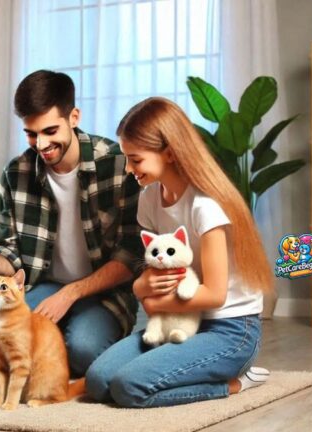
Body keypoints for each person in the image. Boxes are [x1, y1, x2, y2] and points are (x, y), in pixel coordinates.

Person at [0, 70, 144, 378]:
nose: (41, 144)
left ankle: (66, 340)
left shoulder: (118, 164)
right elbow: (10, 257)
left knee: (83, 351)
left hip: (100, 291)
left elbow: (131, 256)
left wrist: (70, 295)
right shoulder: (16, 173)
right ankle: (47, 344)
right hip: (42, 285)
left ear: (74, 117)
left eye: (50, 130)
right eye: (31, 133)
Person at [85, 97, 273, 408]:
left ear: (169, 153)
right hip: (181, 319)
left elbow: (214, 295)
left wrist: (151, 298)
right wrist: (140, 287)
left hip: (231, 329)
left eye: (136, 160)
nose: (129, 169)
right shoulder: (149, 201)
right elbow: (162, 272)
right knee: (98, 380)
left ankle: (237, 382)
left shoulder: (206, 206)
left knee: (128, 387)